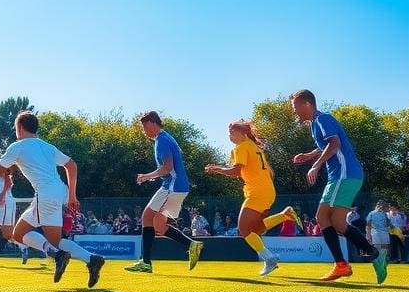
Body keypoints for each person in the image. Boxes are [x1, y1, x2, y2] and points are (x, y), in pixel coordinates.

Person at [0, 110, 105, 288]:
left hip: (45, 194)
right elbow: (71, 165)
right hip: (57, 192)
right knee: (19, 234)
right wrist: (72, 195)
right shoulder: (47, 146)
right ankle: (91, 259)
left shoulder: (18, 146)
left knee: (53, 242)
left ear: (19, 127)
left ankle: (62, 256)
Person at [290, 89, 387, 283]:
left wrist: (315, 166)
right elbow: (325, 146)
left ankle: (344, 263)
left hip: (344, 174)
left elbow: (334, 145)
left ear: (306, 104)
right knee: (336, 222)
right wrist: (308, 156)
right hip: (344, 176)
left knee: (323, 217)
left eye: (295, 107)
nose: (294, 112)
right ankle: (372, 255)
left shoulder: (322, 119)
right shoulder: (315, 124)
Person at [204, 120, 301, 276]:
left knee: (244, 229)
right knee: (256, 229)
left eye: (233, 132)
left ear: (243, 134)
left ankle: (270, 259)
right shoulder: (253, 147)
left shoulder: (242, 147)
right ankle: (285, 216)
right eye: (229, 133)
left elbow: (236, 172)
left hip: (257, 193)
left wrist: (217, 169)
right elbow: (252, 171)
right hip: (267, 191)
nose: (230, 135)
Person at [125, 111, 204, 273]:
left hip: (173, 186)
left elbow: (168, 167)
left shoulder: (161, 140)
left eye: (146, 127)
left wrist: (147, 176)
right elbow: (168, 168)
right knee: (159, 225)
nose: (144, 131)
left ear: (154, 123)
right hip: (176, 186)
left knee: (147, 217)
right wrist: (155, 176)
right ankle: (192, 245)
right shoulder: (166, 137)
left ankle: (145, 263)